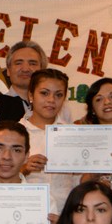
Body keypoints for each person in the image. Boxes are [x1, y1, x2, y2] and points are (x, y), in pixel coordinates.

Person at [20, 68, 78, 206]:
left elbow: (79, 180)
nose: (51, 100)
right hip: (27, 209)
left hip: (64, 211)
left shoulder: (73, 134)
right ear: (31, 95)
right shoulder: (14, 133)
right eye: (44, 93)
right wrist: (24, 169)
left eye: (58, 95)